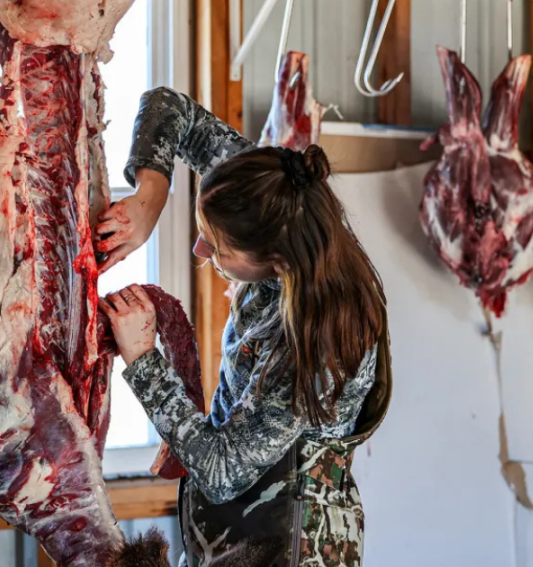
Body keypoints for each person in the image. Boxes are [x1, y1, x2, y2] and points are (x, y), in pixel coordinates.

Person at [94, 86, 392, 567]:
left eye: (218, 248)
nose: (200, 251)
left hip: (291, 546)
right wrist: (150, 196)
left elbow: (221, 470)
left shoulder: (322, 343)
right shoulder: (271, 193)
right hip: (232, 528)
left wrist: (144, 360)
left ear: (276, 260)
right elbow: (168, 107)